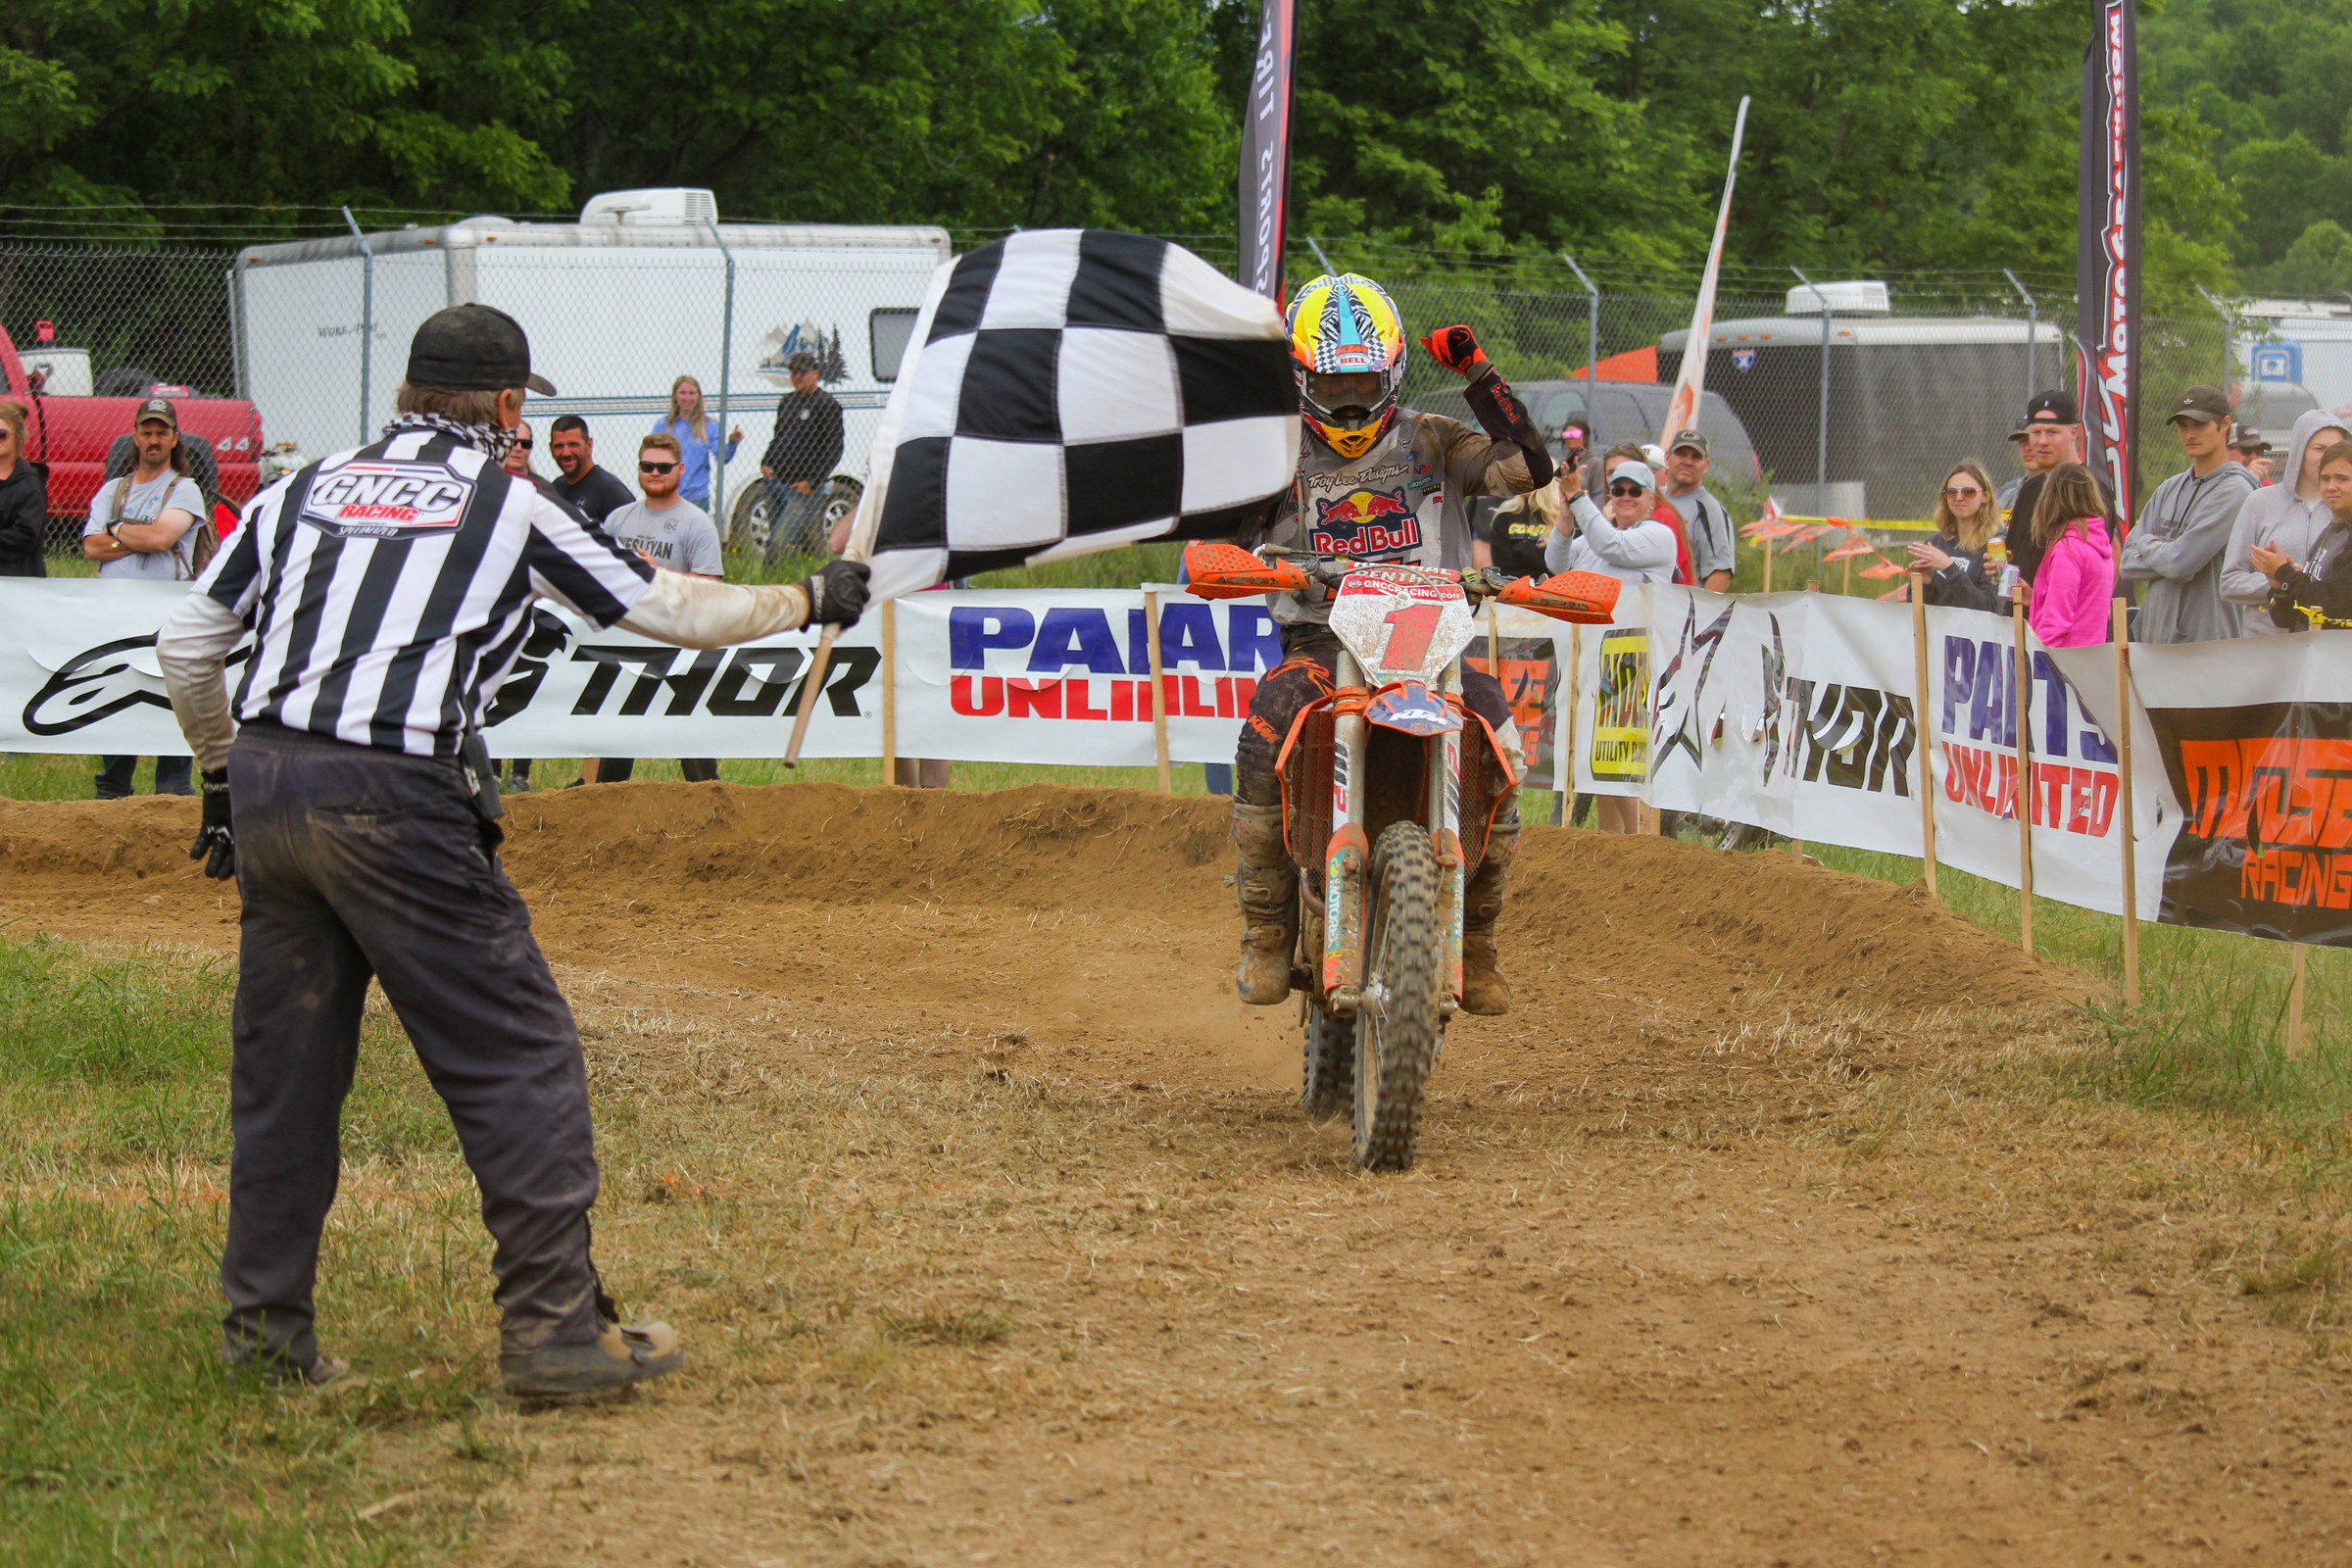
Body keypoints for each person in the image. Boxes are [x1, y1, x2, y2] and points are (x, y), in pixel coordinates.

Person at [152, 303, 870, 1394]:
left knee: (284, 1078)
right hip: (394, 798)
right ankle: (551, 1332)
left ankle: (264, 1337)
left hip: (267, 782)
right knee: (519, 1058)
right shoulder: (507, 502)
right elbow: (659, 605)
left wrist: (216, 776)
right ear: (504, 407)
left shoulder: (299, 490)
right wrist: (808, 596)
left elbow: (186, 641)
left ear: (405, 395)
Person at [1229, 274, 1550, 1015]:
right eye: (1332, 381)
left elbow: (1529, 470)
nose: (1348, 399)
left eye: (1364, 380)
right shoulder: (1274, 456)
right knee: (1261, 738)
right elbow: (1223, 534)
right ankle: (1267, 929)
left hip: (1429, 641)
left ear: (1394, 371)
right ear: (1302, 378)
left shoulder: (1435, 438)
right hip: (1320, 638)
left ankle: (1477, 940)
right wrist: (1239, 558)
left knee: (1503, 749)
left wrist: (1478, 374)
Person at [580, 433, 725, 787]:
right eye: (648, 466)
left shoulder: (696, 523)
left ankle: (712, 815)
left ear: (680, 469)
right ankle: (601, 814)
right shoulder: (617, 520)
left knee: (693, 749)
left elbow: (713, 586)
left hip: (679, 647)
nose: (655, 473)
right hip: (626, 646)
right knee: (614, 742)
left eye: (663, 467)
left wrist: (658, 574)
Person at [85, 397, 210, 799]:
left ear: (175, 439)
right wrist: (139, 535)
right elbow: (90, 546)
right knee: (117, 695)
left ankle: (173, 791)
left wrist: (117, 529)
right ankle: (113, 787)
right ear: (135, 438)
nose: (153, 440)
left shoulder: (185, 490)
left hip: (167, 616)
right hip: (116, 613)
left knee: (169, 700)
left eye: (161, 433)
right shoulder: (112, 489)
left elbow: (162, 538)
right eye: (146, 432)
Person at [1544, 457, 1674, 837]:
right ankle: (1610, 846)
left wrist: (1578, 497)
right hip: (1591, 663)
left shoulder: (1657, 535)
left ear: (1652, 499)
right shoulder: (1596, 540)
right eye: (1618, 490)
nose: (1626, 496)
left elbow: (1614, 545)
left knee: (1624, 758)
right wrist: (1567, 516)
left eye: (1636, 491)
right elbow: (1557, 565)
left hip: (1633, 661)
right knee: (1598, 760)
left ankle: (1637, 845)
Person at [2119, 384, 2258, 643]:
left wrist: (2148, 543)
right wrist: (2169, 553)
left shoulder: (2235, 490)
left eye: (2200, 424)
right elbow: (2127, 564)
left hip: (2207, 647)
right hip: (2155, 642)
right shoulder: (2168, 488)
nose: (2190, 434)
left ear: (2224, 423)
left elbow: (2180, 563)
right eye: (2183, 425)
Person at [2221, 411, 2349, 639]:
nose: (2326, 457)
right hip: (2265, 644)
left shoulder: (2339, 516)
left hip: (2325, 652)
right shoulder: (2260, 502)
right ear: (2300, 450)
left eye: (2342, 478)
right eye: (2319, 449)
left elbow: (2333, 600)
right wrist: (2281, 583)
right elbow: (2229, 582)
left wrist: (2288, 576)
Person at [2000, 392, 2115, 591]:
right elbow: (2014, 556)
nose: (2042, 441)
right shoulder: (2030, 488)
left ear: (2073, 433)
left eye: (2052, 432)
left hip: (2064, 617)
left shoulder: (2087, 488)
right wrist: (2000, 565)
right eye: (2036, 432)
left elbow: (2094, 568)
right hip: (2021, 615)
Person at [2253, 440, 2352, 629]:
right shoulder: (2331, 531)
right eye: (2325, 478)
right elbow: (2287, 619)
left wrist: (2285, 573)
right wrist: (2279, 586)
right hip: (2308, 652)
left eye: (2342, 478)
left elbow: (2330, 608)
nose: (2331, 486)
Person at [760, 352, 844, 563]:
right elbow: (779, 437)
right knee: (784, 540)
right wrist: (767, 462)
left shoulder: (827, 405)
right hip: (777, 481)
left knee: (777, 543)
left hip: (801, 488)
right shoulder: (787, 402)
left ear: (815, 374)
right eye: (794, 372)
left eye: (803, 373)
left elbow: (834, 449)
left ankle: (769, 584)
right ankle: (791, 578)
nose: (798, 377)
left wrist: (812, 482)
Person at [2024, 464, 2117, 648]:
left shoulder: (2068, 549)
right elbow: (2083, 604)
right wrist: (2037, 597)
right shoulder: (2099, 545)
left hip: (2064, 664)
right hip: (2090, 659)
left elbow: (2056, 622)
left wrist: (2039, 661)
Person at [1906, 460, 2003, 610]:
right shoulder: (1934, 544)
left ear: (1986, 497)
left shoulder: (1996, 546)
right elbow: (1915, 610)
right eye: (1951, 492)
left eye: (1968, 492)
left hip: (1976, 632)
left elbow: (1990, 608)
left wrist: (1948, 568)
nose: (1958, 498)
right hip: (1939, 631)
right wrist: (1925, 583)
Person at [651, 375, 742, 511]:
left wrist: (733, 442)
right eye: (683, 393)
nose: (687, 398)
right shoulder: (664, 426)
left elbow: (722, 457)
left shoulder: (710, 426)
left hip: (696, 498)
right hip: (667, 495)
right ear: (675, 396)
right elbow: (651, 458)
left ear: (698, 396)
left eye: (692, 393)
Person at [1663, 430, 1735, 592]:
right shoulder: (1653, 500)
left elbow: (1720, 572)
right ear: (1667, 458)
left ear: (1706, 466)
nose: (1688, 462)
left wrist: (1700, 614)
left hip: (1682, 609)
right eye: (1681, 454)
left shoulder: (1709, 509)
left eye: (1696, 457)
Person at [546, 416, 634, 524]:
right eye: (559, 446)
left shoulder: (611, 492)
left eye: (573, 445)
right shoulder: (555, 489)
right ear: (551, 448)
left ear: (589, 445)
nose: (566, 453)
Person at [0, 399, 48, 577]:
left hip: (17, 579)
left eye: (2, 434)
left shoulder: (29, 483)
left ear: (17, 437)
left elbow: (25, 536)